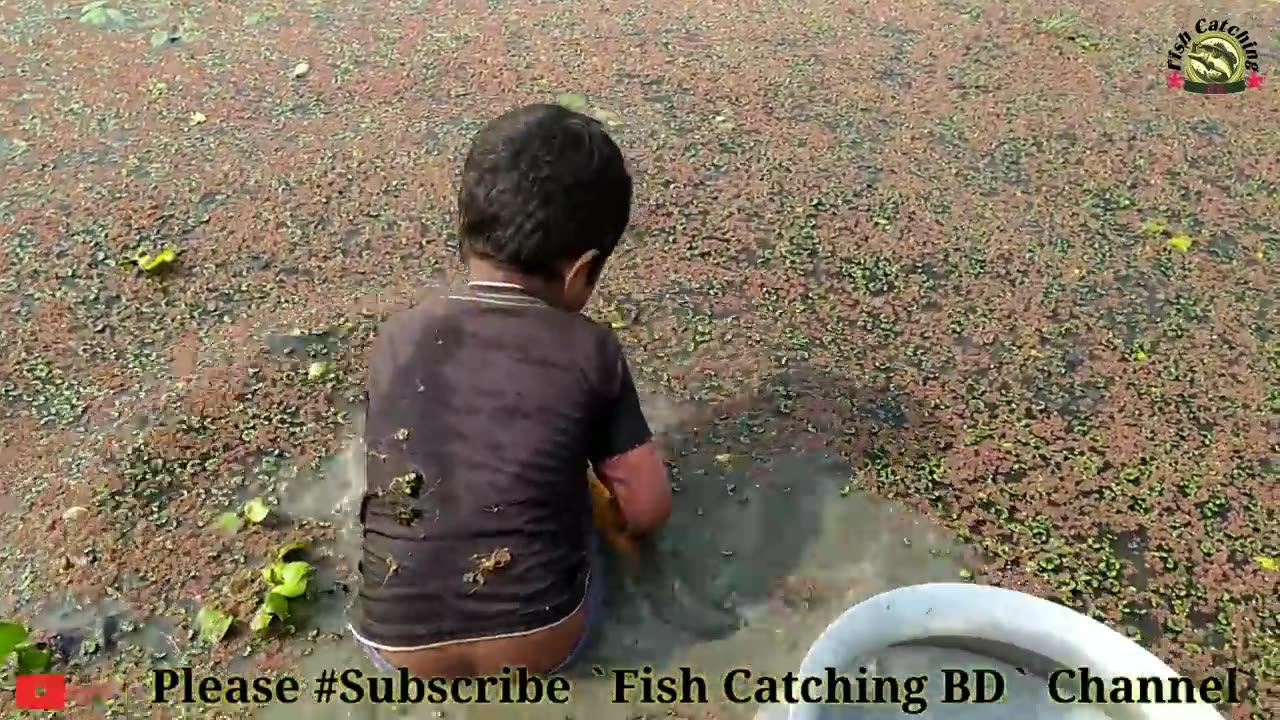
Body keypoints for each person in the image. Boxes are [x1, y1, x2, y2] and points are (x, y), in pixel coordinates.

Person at [349, 103, 673, 677]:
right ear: (583, 269)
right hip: (540, 641)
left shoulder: (395, 338)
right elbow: (645, 509)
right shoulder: (588, 349)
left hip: (391, 643)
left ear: (465, 232)